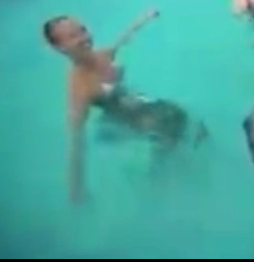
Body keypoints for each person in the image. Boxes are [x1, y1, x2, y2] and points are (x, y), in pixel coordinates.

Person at [42, 11, 207, 204]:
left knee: (189, 124)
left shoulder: (102, 54)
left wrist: (142, 20)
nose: (84, 38)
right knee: (173, 148)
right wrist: (76, 189)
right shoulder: (79, 88)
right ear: (60, 48)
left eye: (83, 30)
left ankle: (181, 180)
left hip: (145, 108)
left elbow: (123, 39)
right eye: (73, 36)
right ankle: (161, 193)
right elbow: (76, 140)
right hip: (133, 124)